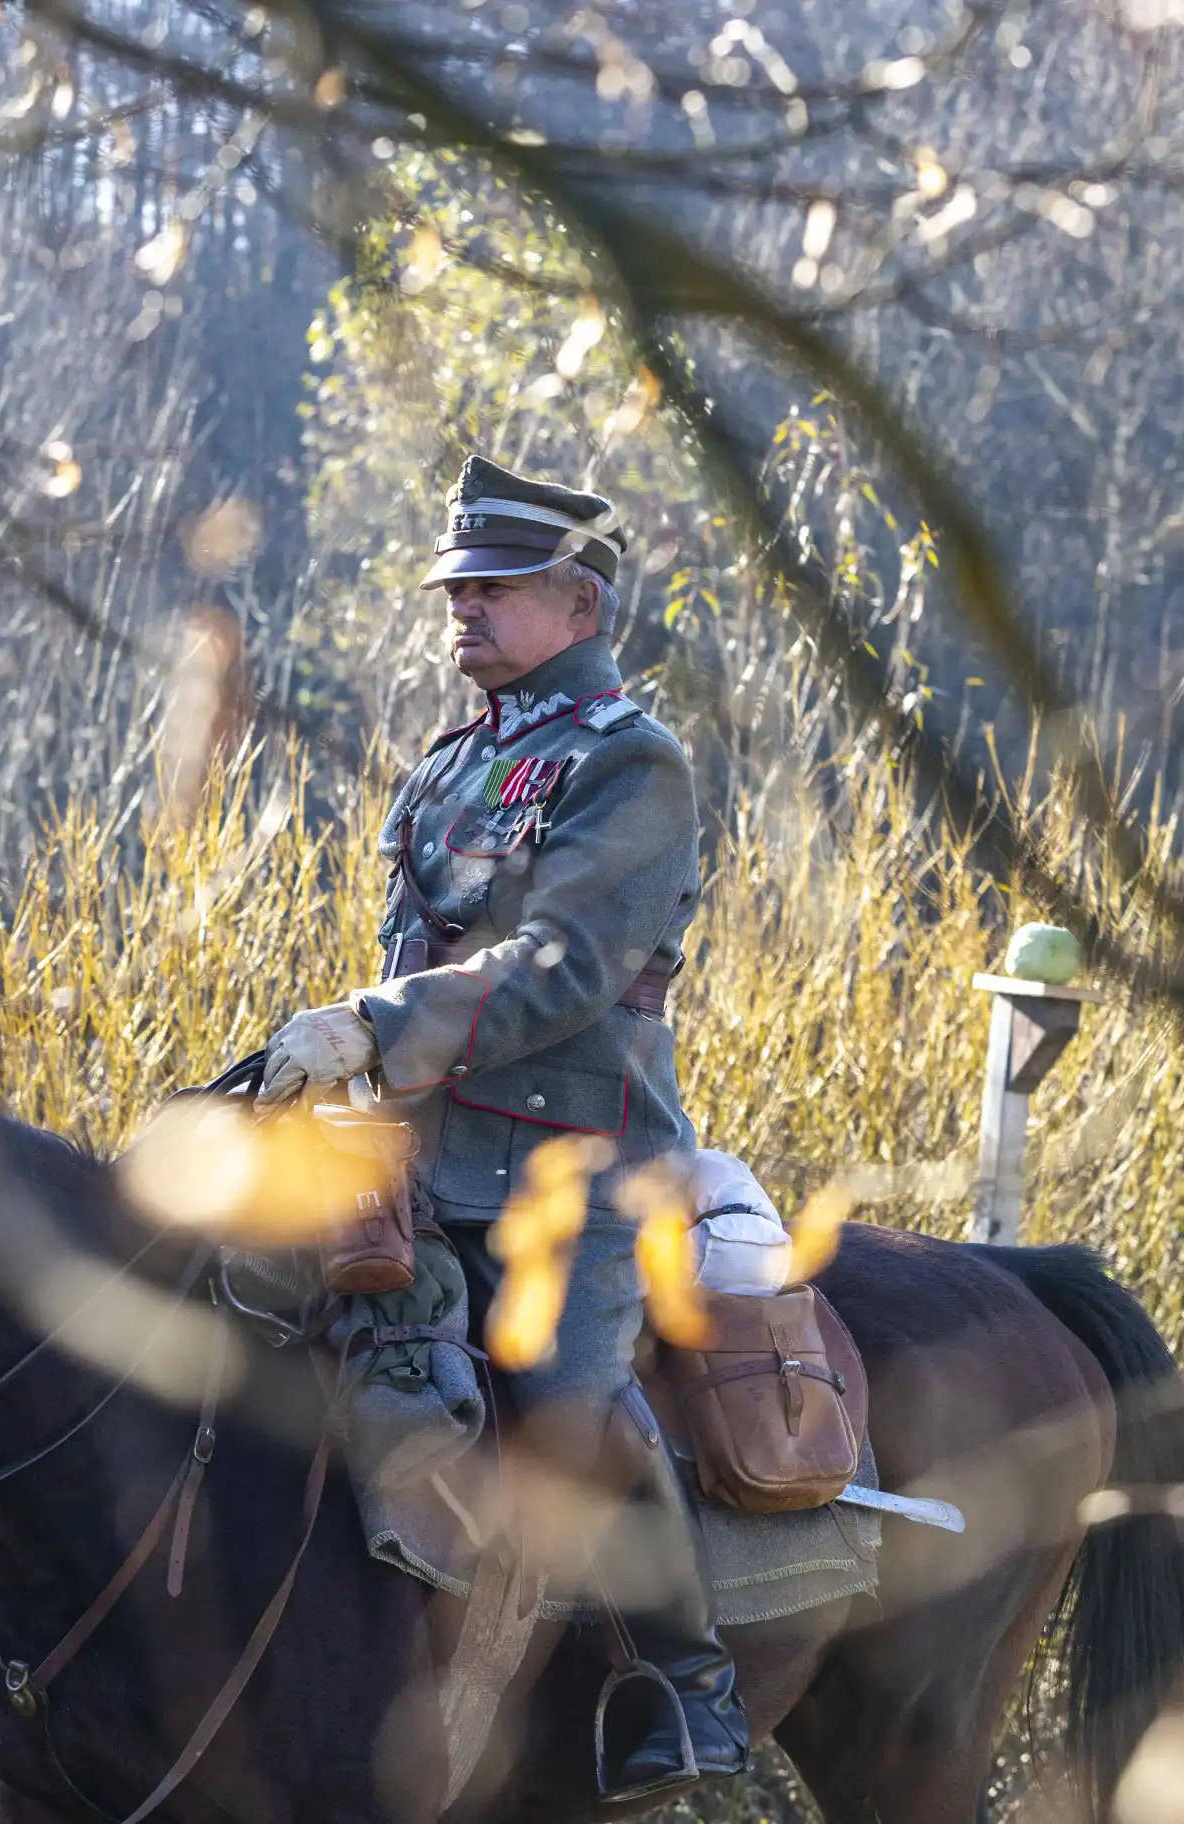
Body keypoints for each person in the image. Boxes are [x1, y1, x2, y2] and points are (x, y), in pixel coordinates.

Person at [256, 456, 747, 1801]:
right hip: (415, 1158)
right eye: (453, 585)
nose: (458, 605)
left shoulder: (632, 762)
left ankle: (689, 1688)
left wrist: (372, 1022)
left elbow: (564, 967)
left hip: (577, 1173)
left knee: (555, 1411)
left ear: (580, 605)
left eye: (492, 586)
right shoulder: (459, 759)